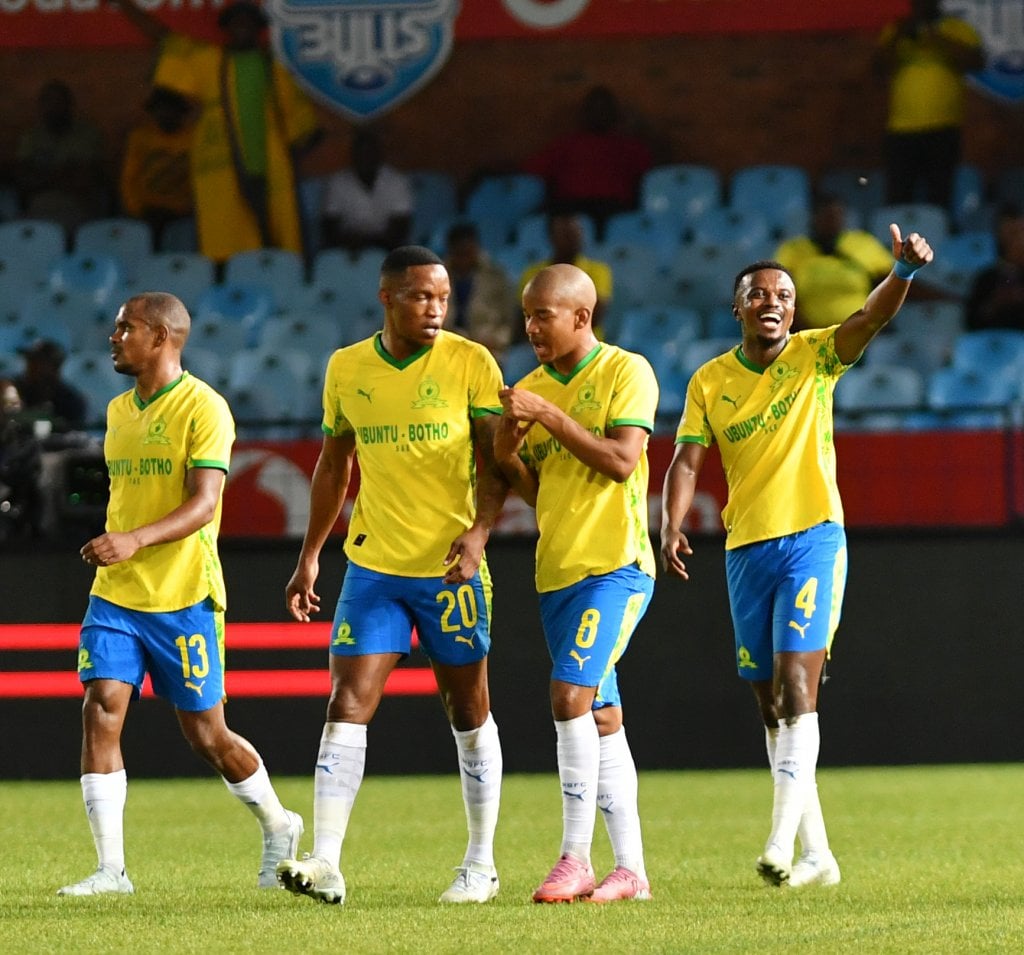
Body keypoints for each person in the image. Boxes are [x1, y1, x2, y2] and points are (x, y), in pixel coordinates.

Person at [659, 225, 933, 889]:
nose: (773, 302)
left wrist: (902, 271)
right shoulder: (711, 380)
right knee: (769, 705)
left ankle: (780, 844)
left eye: (783, 293)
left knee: (797, 686)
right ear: (739, 308)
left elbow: (870, 316)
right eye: (759, 294)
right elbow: (687, 458)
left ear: (794, 307)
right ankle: (818, 853)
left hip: (812, 537)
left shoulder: (815, 357)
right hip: (746, 549)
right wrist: (668, 522)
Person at [275, 246, 508, 906]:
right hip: (373, 565)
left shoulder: (470, 362)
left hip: (451, 571)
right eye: (420, 297)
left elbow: (495, 465)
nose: (436, 308)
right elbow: (332, 464)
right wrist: (311, 553)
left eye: (442, 297)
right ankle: (326, 860)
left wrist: (480, 533)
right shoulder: (348, 368)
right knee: (348, 702)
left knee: (468, 709)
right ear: (387, 298)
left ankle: (480, 863)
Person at [58, 292, 303, 896]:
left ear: (163, 336)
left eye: (126, 329)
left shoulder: (205, 407)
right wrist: (122, 547)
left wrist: (133, 540)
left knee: (207, 736)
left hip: (184, 594)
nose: (113, 339)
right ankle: (111, 871)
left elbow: (205, 503)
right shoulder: (117, 410)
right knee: (102, 705)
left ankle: (280, 825)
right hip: (116, 593)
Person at [493, 263, 657, 903]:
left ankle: (573, 858)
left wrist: (552, 418)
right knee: (604, 714)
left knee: (568, 697)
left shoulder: (626, 370)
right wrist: (508, 453)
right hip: (558, 570)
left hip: (615, 565)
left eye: (543, 315)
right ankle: (632, 871)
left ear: (581, 317)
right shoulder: (531, 387)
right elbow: (541, 492)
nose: (530, 326)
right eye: (527, 314)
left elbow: (621, 462)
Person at [115, 0, 323, 263]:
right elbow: (165, 38)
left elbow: (303, 126)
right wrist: (125, 6)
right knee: (225, 243)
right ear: (227, 28)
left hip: (270, 169)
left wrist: (293, 153)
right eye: (236, 22)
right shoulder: (209, 60)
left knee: (276, 241)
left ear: (258, 29)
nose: (242, 27)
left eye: (249, 22)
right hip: (221, 166)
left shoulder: (273, 69)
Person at [874, 0, 984, 209]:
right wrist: (902, 33)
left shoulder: (956, 28)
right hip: (901, 129)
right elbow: (879, 68)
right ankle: (899, 242)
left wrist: (937, 37)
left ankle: (936, 238)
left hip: (943, 128)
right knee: (898, 196)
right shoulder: (898, 30)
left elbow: (976, 62)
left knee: (939, 195)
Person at [523, 85, 655, 238]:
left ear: (614, 114)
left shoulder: (630, 147)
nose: (598, 114)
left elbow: (651, 178)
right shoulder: (566, 145)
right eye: (594, 109)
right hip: (571, 208)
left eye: (604, 109)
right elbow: (531, 171)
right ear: (585, 114)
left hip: (613, 210)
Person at [774, 193, 896, 330]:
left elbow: (891, 281)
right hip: (809, 333)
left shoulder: (862, 243)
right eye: (826, 215)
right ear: (813, 218)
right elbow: (780, 291)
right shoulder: (794, 249)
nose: (832, 220)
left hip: (860, 332)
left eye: (837, 215)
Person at [14, 79, 112, 236]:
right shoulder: (31, 137)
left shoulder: (88, 134)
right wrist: (64, 172)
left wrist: (45, 175)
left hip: (79, 207)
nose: (53, 107)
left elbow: (85, 179)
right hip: (40, 208)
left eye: (59, 102)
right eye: (48, 102)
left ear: (69, 105)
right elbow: (24, 178)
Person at [119, 86, 196, 249]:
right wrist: (136, 211)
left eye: (171, 109)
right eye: (160, 109)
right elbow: (129, 179)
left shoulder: (195, 137)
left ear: (181, 112)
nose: (165, 114)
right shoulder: (140, 138)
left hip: (185, 212)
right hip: (149, 212)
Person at [320, 127, 413, 254]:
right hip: (346, 250)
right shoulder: (337, 183)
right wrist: (349, 242)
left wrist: (366, 243)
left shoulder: (397, 181)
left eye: (369, 153)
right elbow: (329, 228)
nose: (365, 158)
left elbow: (400, 229)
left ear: (379, 155)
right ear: (353, 156)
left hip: (388, 249)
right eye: (360, 153)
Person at [519, 213, 613, 338]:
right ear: (551, 237)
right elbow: (524, 319)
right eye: (566, 234)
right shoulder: (533, 274)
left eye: (577, 232)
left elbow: (593, 316)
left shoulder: (598, 271)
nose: (574, 238)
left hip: (586, 348)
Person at [444, 220, 520, 365]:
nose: (464, 259)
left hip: (491, 349)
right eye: (459, 253)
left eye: (468, 252)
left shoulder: (497, 276)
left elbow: (510, 319)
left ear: (476, 249)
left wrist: (497, 340)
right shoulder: (437, 276)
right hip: (447, 349)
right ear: (450, 251)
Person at [964, 203, 1024, 331]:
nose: (1016, 240)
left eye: (1019, 233)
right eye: (1010, 234)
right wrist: (995, 304)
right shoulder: (986, 278)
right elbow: (971, 323)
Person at [15, 338, 88, 432]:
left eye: (38, 363)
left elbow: (73, 433)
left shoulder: (70, 400)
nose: (31, 367)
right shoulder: (15, 390)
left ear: (55, 367)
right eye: (30, 361)